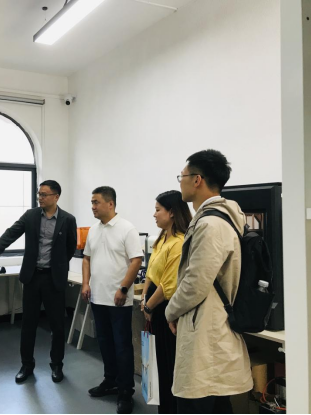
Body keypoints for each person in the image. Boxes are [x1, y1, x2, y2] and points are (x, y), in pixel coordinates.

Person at [166, 150, 253, 414]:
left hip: (207, 330)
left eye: (182, 176)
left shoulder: (210, 225)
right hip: (211, 325)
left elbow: (195, 283)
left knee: (198, 401)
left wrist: (170, 311)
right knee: (215, 402)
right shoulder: (221, 219)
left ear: (197, 179)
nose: (180, 182)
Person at [0, 180, 77, 384]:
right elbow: (11, 233)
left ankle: (57, 365)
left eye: (44, 194)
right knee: (28, 324)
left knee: (58, 326)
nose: (40, 198)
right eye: (39, 194)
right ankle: (26, 365)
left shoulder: (68, 219)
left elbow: (70, 248)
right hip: (32, 277)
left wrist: (58, 266)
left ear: (56, 197)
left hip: (54, 279)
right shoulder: (31, 216)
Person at [82, 187, 143, 415]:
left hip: (118, 300)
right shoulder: (93, 230)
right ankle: (110, 381)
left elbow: (136, 260)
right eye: (92, 202)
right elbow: (86, 258)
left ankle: (126, 391)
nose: (93, 207)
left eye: (96, 202)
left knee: (122, 347)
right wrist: (86, 284)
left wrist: (123, 288)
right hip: (97, 297)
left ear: (110, 204)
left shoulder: (127, 229)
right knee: (105, 344)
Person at [141, 190, 192, 414]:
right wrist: (144, 297)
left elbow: (168, 284)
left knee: (169, 365)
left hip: (165, 310)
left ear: (171, 212)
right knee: (158, 364)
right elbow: (151, 272)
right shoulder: (162, 238)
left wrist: (149, 305)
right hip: (152, 306)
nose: (154, 214)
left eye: (157, 210)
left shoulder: (179, 242)